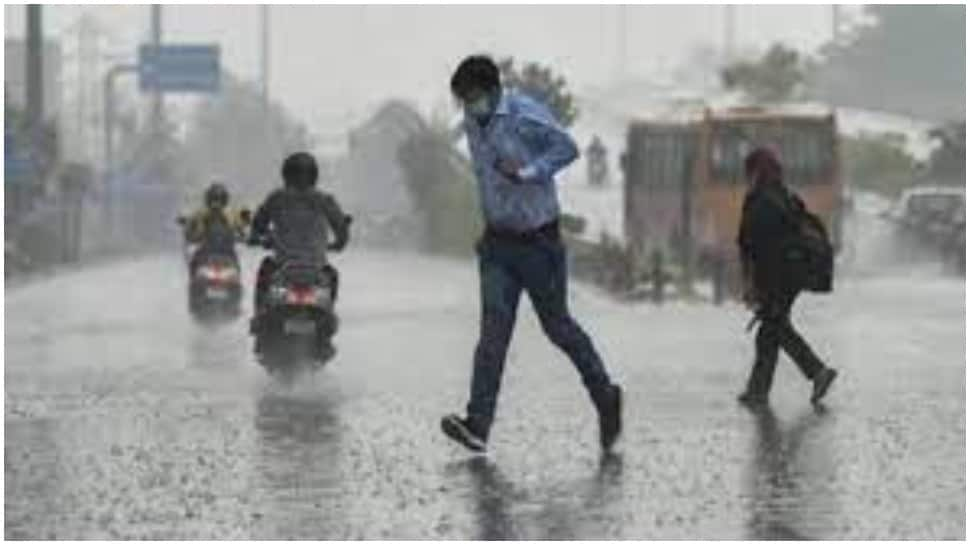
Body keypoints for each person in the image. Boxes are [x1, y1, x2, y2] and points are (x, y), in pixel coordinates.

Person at [440, 55, 622, 453]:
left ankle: (606, 397)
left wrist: (527, 172)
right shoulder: (472, 123)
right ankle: (478, 424)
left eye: (472, 97)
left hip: (539, 243)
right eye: (462, 100)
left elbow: (567, 148)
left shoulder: (524, 114)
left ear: (491, 91)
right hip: (498, 245)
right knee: (493, 335)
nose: (469, 106)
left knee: (558, 328)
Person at [736, 147, 838, 406]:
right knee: (771, 329)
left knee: (775, 326)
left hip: (775, 275)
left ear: (756, 172)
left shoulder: (759, 200)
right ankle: (757, 391)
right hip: (794, 274)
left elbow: (749, 244)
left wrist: (751, 282)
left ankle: (817, 371)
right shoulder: (786, 196)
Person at [248, 152, 350, 351]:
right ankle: (327, 327)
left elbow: (258, 225)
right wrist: (338, 244)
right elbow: (342, 231)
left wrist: (258, 237)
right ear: (314, 175)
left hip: (282, 268)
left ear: (286, 174)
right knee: (332, 275)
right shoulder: (325, 200)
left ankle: (259, 319)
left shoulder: (276, 198)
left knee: (265, 270)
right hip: (316, 271)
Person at [182, 181, 249, 272]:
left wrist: (244, 230)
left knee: (235, 269)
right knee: (195, 265)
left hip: (223, 252)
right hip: (210, 252)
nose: (216, 203)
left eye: (218, 199)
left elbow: (242, 228)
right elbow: (190, 229)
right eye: (214, 199)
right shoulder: (200, 214)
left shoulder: (232, 214)